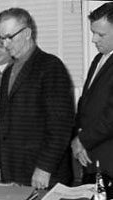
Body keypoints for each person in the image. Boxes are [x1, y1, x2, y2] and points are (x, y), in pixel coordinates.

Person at [0, 8, 75, 189]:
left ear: (27, 33)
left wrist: (45, 167)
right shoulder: (8, 72)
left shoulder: (51, 66)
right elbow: (3, 124)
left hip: (42, 173)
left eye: (9, 37)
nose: (5, 44)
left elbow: (60, 125)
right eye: (1, 38)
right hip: (12, 170)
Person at [72, 2, 113, 183]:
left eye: (100, 34)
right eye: (93, 32)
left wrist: (82, 140)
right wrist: (78, 137)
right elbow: (85, 104)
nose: (93, 39)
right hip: (91, 158)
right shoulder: (99, 58)